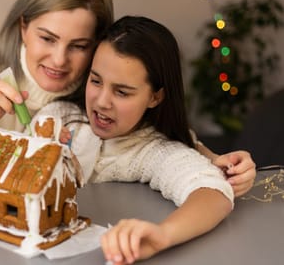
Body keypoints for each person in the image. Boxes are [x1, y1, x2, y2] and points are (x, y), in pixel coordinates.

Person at [0, 0, 255, 196]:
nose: (59, 60)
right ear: (24, 27)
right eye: (47, 38)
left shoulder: (94, 96)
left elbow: (150, 136)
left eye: (78, 46)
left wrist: (210, 158)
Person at [36, 16, 235, 264]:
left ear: (155, 97)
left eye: (122, 92)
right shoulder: (57, 116)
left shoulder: (152, 151)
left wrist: (162, 235)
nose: (101, 101)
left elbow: (213, 194)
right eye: (96, 80)